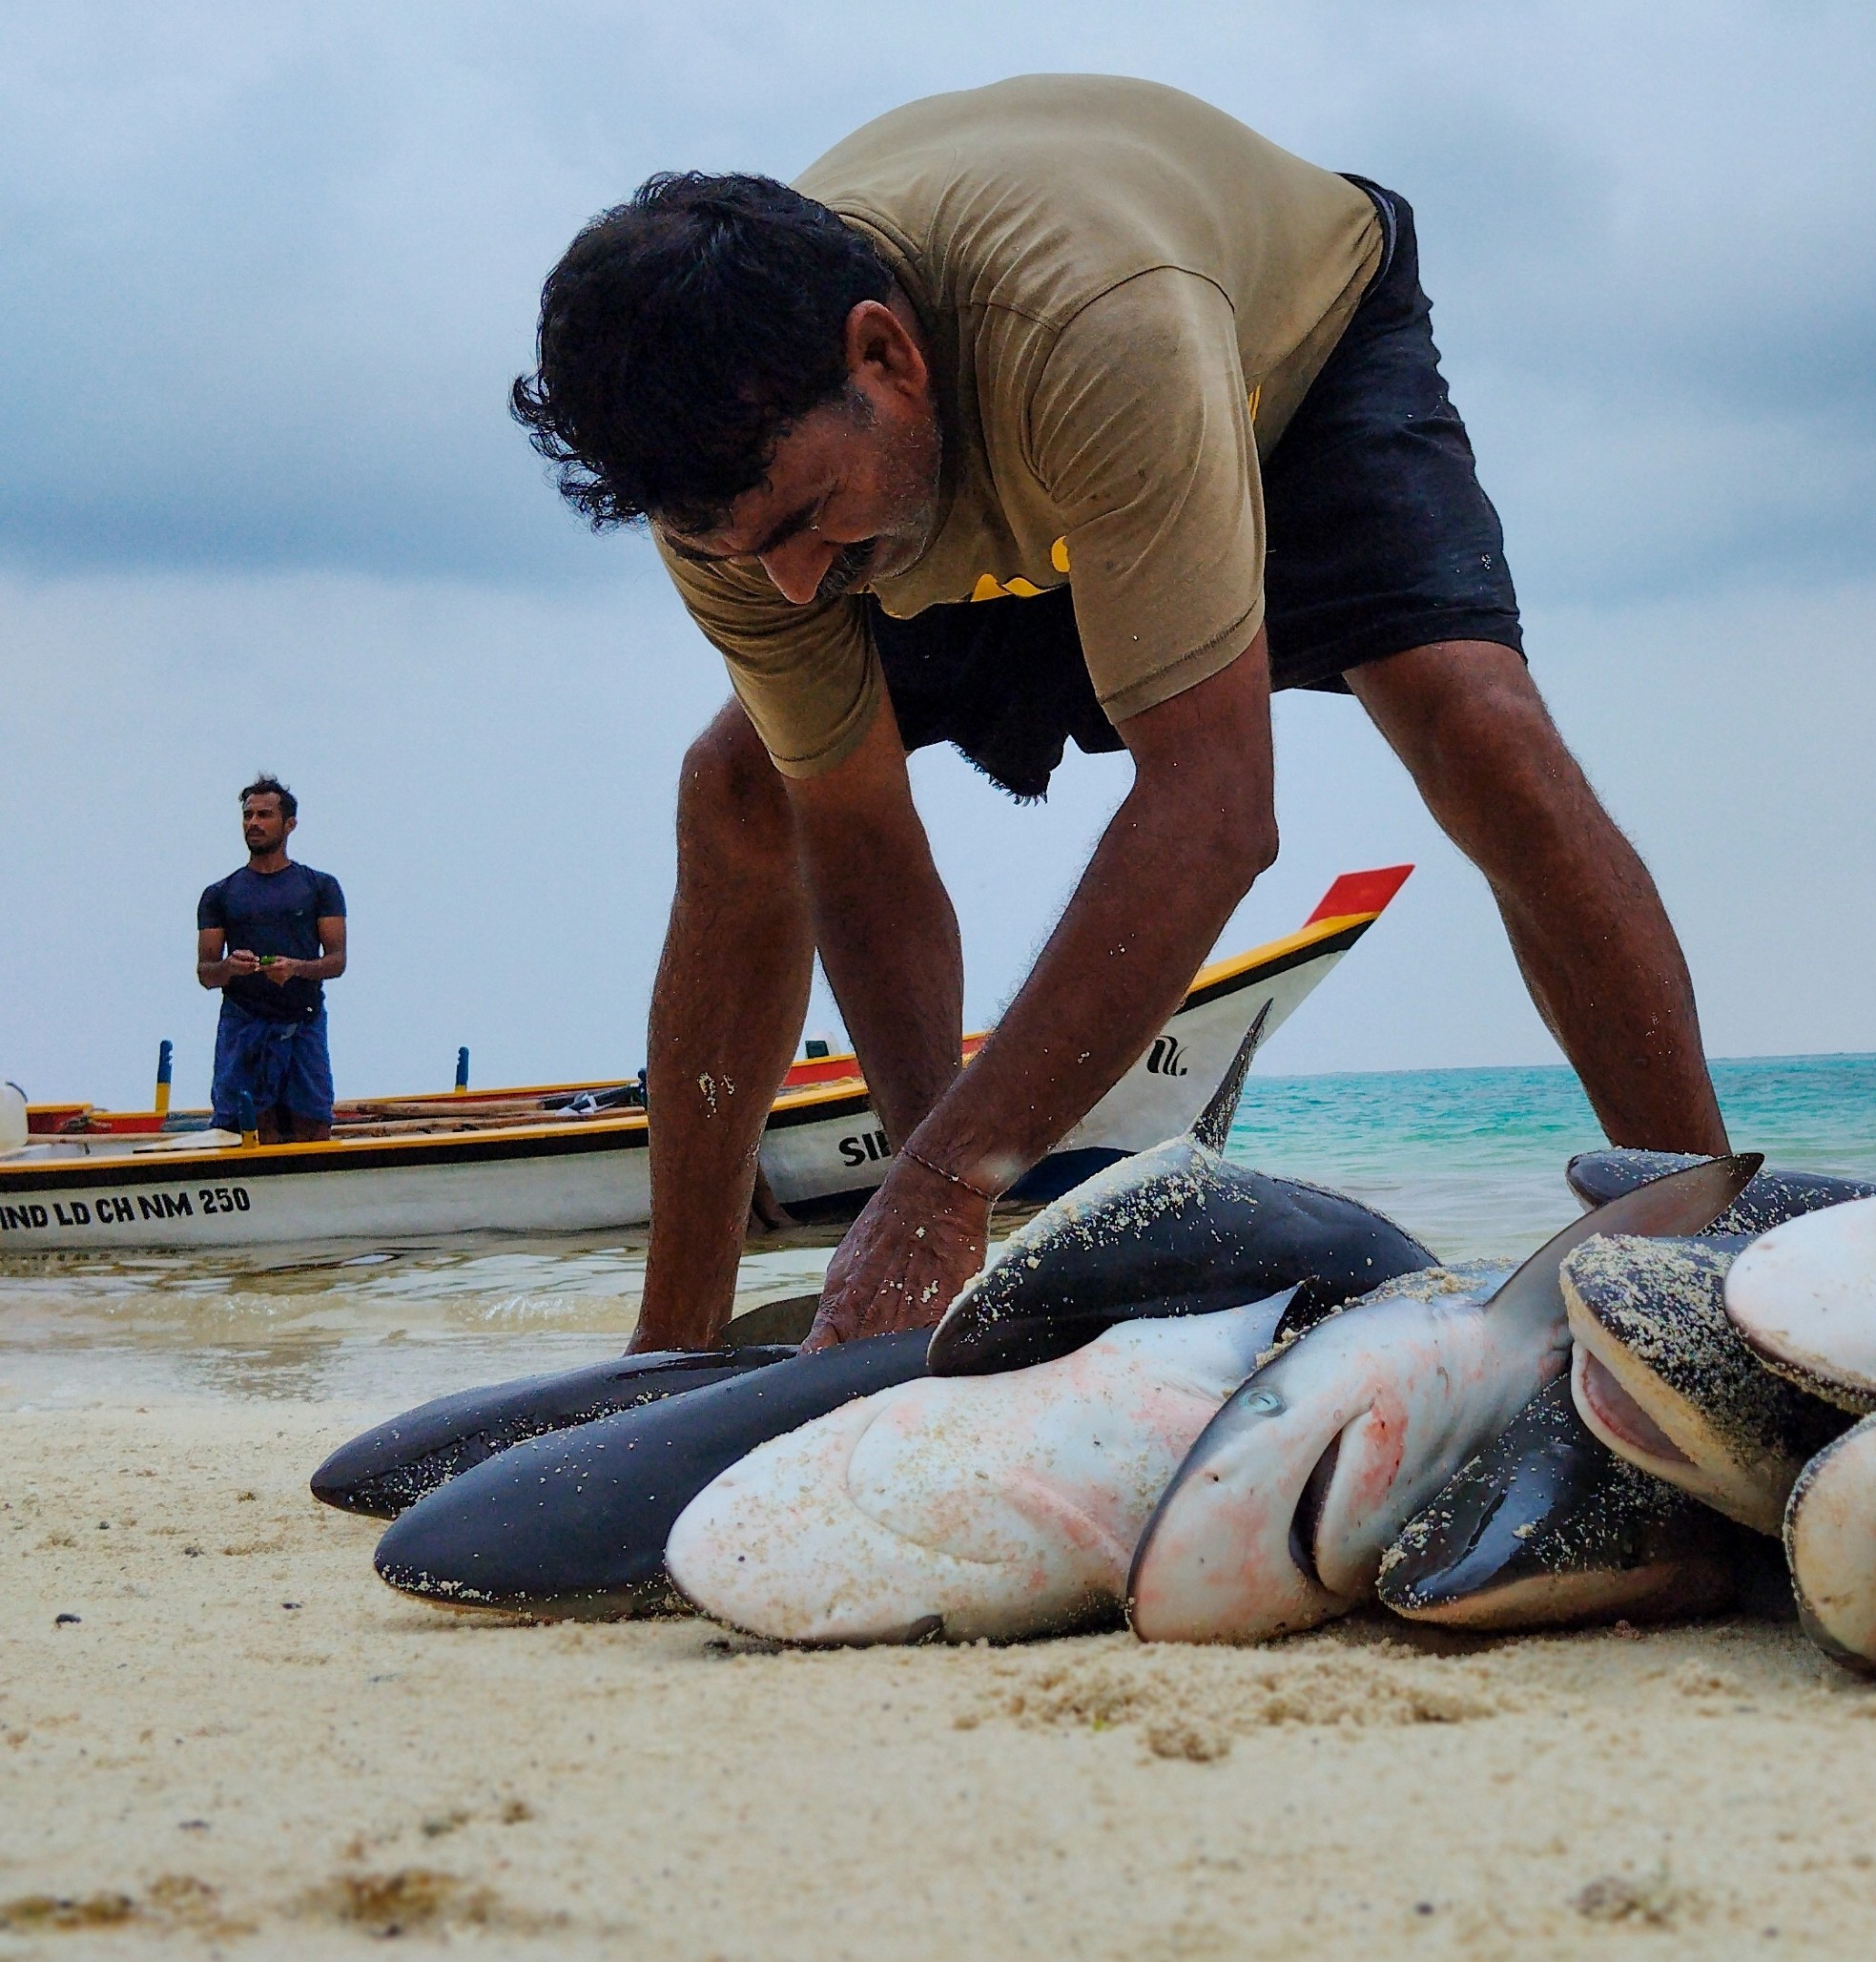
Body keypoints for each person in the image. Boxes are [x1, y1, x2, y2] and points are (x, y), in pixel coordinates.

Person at [510, 74, 1728, 1354]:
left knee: (1474, 720)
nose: (793, 580)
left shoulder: (1099, 320)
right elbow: (856, 838)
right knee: (740, 786)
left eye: (805, 517)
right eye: (743, 547)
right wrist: (938, 1216)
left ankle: (1705, 1252)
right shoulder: (735, 498)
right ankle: (669, 1345)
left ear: (887, 355)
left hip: (1276, 375)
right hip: (971, 476)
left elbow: (1212, 808)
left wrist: (939, 1187)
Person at [195, 776, 346, 1144]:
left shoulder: (319, 887)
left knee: (311, 1129)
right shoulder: (219, 895)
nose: (254, 824)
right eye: (248, 816)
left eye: (264, 815)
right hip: (244, 1028)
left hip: (302, 1024)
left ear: (289, 824)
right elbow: (206, 972)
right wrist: (230, 967)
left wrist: (296, 968)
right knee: (244, 1132)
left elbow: (337, 961)